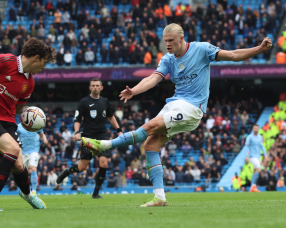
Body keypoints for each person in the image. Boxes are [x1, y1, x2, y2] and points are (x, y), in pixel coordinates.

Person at [82, 23, 272, 207]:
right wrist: (134, 91)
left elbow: (232, 55)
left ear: (182, 38)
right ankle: (159, 197)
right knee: (150, 145)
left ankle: (105, 145)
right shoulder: (168, 59)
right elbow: (153, 78)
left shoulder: (201, 49)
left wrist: (258, 49)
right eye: (165, 41)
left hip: (191, 108)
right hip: (175, 104)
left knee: (149, 126)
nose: (168, 44)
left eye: (171, 40)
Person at [0, 37, 56, 211]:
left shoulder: (29, 84)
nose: (44, 67)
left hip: (7, 121)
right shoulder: (3, 61)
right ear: (36, 57)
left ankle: (27, 194)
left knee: (18, 164)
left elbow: (17, 109)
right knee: (13, 150)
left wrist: (29, 118)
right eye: (44, 63)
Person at [56, 78, 123, 199]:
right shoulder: (84, 102)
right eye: (93, 85)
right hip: (88, 137)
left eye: (98, 85)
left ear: (101, 88)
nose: (95, 87)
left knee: (104, 163)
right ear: (90, 88)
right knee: (82, 168)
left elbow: (111, 117)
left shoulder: (105, 101)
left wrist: (119, 130)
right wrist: (76, 132)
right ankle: (67, 172)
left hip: (103, 136)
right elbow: (77, 119)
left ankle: (96, 193)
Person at [17, 121, 48, 194]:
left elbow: (42, 133)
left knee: (33, 167)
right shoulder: (18, 127)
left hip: (34, 151)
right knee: (22, 172)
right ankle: (25, 189)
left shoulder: (36, 124)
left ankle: (34, 190)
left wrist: (45, 139)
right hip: (23, 152)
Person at [246, 124, 268, 192]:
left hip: (258, 157)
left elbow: (262, 146)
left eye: (257, 128)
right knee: (259, 169)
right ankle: (253, 186)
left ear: (258, 129)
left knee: (255, 171)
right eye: (254, 128)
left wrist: (265, 155)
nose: (256, 129)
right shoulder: (250, 137)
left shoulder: (260, 137)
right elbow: (247, 147)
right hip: (252, 156)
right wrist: (247, 155)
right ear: (252, 129)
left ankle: (252, 187)